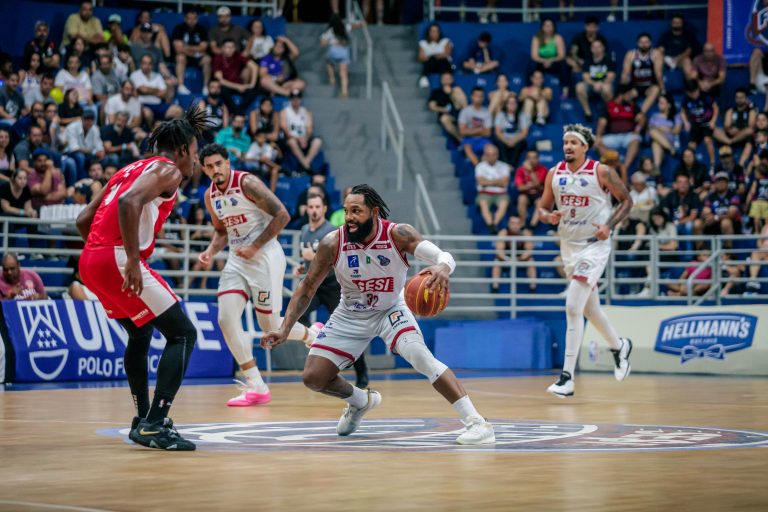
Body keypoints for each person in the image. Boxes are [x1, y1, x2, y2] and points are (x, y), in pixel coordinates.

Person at [261, 184, 495, 445]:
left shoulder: (398, 234)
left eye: (356, 211)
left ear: (373, 212)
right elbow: (307, 286)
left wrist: (442, 267)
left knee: (421, 358)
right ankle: (361, 401)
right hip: (350, 313)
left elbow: (443, 255)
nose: (349, 217)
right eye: (347, 211)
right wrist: (284, 327)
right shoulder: (333, 243)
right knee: (313, 378)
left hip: (390, 309)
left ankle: (478, 423)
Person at [75, 106, 212, 451]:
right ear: (182, 150)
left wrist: (102, 255)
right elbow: (129, 202)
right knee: (183, 333)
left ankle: (142, 418)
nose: (195, 161)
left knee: (141, 331)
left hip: (92, 258)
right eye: (195, 153)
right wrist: (131, 260)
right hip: (119, 257)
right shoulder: (167, 170)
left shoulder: (128, 169)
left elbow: (83, 219)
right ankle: (155, 422)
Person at [197, 144, 322, 407]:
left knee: (270, 327)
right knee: (225, 318)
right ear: (203, 168)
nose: (215, 170)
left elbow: (282, 215)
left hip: (265, 256)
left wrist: (255, 245)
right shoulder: (210, 195)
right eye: (209, 166)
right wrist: (210, 251)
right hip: (236, 260)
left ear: (228, 162)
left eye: (219, 163)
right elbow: (221, 232)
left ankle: (312, 336)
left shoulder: (248, 183)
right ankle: (256, 385)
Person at [537, 123, 633, 398]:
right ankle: (619, 347)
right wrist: (548, 216)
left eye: (573, 142)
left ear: (585, 147)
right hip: (569, 246)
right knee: (590, 309)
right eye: (565, 142)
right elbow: (542, 208)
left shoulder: (601, 171)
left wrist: (609, 226)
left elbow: (627, 201)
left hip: (595, 246)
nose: (567, 146)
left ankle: (566, 377)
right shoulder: (554, 174)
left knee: (572, 306)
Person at [297, 193, 369, 387]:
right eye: (310, 207)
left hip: (332, 286)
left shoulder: (331, 231)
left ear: (324, 209)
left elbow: (340, 259)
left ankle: (362, 372)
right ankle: (315, 333)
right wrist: (302, 266)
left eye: (317, 207)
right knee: (296, 316)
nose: (313, 210)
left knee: (349, 330)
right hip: (314, 285)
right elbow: (307, 259)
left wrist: (313, 258)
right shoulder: (304, 230)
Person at [595, 84, 643, 181]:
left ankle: (625, 166)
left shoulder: (632, 105)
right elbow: (602, 122)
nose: (630, 97)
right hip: (613, 136)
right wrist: (598, 136)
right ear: (621, 95)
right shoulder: (609, 105)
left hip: (628, 136)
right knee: (597, 144)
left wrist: (637, 130)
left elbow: (642, 118)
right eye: (628, 94)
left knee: (636, 140)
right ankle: (617, 163)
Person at [213, 39, 260, 116]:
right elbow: (221, 81)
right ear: (222, 48)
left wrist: (252, 84)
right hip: (227, 86)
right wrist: (238, 87)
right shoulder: (218, 59)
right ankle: (237, 112)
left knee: (253, 91)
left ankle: (238, 112)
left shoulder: (238, 56)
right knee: (222, 90)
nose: (230, 50)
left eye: (232, 47)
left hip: (238, 84)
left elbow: (254, 67)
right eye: (227, 47)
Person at [280, 90, 323, 173]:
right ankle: (307, 167)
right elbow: (285, 128)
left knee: (318, 141)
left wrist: (305, 138)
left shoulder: (306, 112)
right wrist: (297, 138)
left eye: (298, 98)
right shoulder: (284, 112)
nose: (296, 101)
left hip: (304, 138)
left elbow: (309, 128)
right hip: (291, 137)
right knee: (292, 142)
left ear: (301, 100)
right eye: (293, 99)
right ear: (290, 100)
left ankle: (305, 163)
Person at [491, 215, 536, 293]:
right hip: (506, 258)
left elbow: (529, 250)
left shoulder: (526, 233)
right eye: (512, 223)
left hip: (521, 258)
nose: (514, 226)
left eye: (517, 223)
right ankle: (495, 286)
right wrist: (506, 259)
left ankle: (533, 287)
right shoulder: (503, 232)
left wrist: (520, 259)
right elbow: (499, 250)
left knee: (531, 261)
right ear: (508, 224)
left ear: (521, 224)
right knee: (496, 261)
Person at [620, 33, 663, 115]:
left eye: (646, 42)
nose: (644, 45)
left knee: (656, 89)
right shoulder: (631, 54)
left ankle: (641, 114)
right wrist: (622, 91)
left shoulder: (655, 54)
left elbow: (659, 74)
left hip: (650, 86)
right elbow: (625, 74)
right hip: (635, 87)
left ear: (650, 43)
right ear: (637, 43)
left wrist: (663, 90)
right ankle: (632, 114)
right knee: (624, 98)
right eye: (641, 42)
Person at [172, 10, 212, 96]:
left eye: (194, 18)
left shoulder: (201, 29)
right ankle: (180, 85)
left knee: (207, 59)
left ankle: (205, 87)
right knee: (180, 57)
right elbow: (178, 49)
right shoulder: (179, 28)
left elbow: (204, 47)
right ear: (185, 19)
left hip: (198, 57)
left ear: (197, 19)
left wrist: (186, 47)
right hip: (186, 57)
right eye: (189, 18)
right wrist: (195, 50)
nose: (191, 21)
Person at [575, 39, 615, 122]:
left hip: (604, 84)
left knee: (607, 89)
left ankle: (607, 112)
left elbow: (611, 76)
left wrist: (602, 84)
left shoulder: (608, 59)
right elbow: (585, 77)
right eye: (594, 47)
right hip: (591, 85)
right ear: (591, 49)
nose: (596, 49)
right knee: (579, 87)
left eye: (598, 46)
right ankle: (587, 112)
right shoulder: (588, 60)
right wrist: (594, 84)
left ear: (603, 48)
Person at [528, 18, 570, 98]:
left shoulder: (558, 38)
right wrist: (544, 61)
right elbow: (534, 56)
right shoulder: (536, 38)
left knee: (563, 63)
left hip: (554, 61)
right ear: (542, 27)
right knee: (531, 63)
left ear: (553, 27)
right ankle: (529, 87)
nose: (548, 28)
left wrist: (550, 60)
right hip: (541, 62)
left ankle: (565, 90)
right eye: (546, 26)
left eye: (550, 26)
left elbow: (561, 55)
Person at [475, 143, 510, 234]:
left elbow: (504, 183)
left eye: (494, 154)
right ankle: (490, 224)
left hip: (501, 194)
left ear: (497, 155)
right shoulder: (480, 167)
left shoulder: (504, 166)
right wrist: (498, 181)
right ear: (485, 155)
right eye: (489, 155)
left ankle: (494, 224)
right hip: (484, 193)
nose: (491, 157)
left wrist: (488, 182)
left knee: (504, 203)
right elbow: (481, 182)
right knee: (483, 202)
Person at [681, 80, 717, 169]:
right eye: (692, 93)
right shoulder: (686, 99)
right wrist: (686, 122)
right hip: (695, 124)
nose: (694, 95)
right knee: (690, 146)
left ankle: (712, 163)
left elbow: (716, 108)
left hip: (706, 122)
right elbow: (682, 111)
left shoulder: (705, 96)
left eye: (695, 92)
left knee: (707, 140)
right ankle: (692, 166)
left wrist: (713, 121)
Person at [321, 14, 357, 98]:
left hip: (333, 52)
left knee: (329, 62)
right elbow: (354, 26)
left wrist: (331, 41)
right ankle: (344, 92)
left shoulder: (329, 31)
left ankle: (332, 78)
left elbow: (322, 43)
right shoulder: (345, 27)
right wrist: (362, 22)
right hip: (344, 53)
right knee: (343, 73)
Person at [427, 72, 466, 143]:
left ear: (452, 80)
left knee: (457, 90)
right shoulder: (436, 92)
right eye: (445, 78)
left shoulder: (456, 90)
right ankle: (462, 140)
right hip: (447, 114)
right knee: (444, 119)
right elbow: (432, 106)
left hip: (459, 112)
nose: (447, 80)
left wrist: (451, 93)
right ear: (441, 80)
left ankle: (469, 115)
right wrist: (443, 109)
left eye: (449, 78)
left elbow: (462, 104)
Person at [458, 87, 492, 166]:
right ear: (472, 97)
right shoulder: (465, 111)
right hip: (468, 140)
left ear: (483, 98)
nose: (478, 98)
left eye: (480, 96)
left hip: (483, 139)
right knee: (467, 147)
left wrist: (469, 131)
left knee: (490, 149)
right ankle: (478, 166)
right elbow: (462, 131)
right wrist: (480, 130)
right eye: (476, 96)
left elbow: (487, 133)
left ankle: (486, 168)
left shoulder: (487, 113)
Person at [648, 94, 682, 169]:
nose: (659, 105)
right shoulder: (654, 116)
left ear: (669, 105)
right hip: (657, 138)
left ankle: (656, 169)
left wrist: (664, 128)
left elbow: (677, 131)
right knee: (654, 139)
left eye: (662, 103)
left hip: (670, 139)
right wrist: (660, 128)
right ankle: (671, 151)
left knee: (655, 137)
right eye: (659, 102)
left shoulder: (675, 116)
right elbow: (649, 130)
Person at [494, 95, 529, 167]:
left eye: (514, 103)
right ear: (506, 105)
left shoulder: (522, 115)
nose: (512, 105)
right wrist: (506, 141)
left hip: (516, 140)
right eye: (510, 103)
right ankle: (506, 165)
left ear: (517, 105)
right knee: (498, 143)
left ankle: (512, 166)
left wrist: (514, 141)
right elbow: (498, 132)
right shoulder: (501, 115)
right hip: (504, 139)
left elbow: (524, 132)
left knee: (521, 143)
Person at [514, 149, 547, 225]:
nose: (531, 160)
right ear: (526, 159)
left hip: (539, 194)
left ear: (538, 159)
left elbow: (538, 184)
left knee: (540, 202)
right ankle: (523, 224)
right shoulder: (520, 170)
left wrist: (530, 171)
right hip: (525, 194)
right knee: (521, 199)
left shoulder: (543, 169)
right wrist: (532, 185)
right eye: (529, 158)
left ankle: (532, 225)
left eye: (534, 158)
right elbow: (520, 188)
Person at [417, 23, 453, 88]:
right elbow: (421, 57)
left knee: (442, 60)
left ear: (439, 32)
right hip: (431, 64)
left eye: (436, 31)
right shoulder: (423, 43)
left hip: (443, 64)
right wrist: (434, 56)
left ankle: (446, 81)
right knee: (431, 60)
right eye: (432, 31)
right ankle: (424, 77)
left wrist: (433, 55)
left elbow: (447, 54)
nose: (434, 33)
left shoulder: (445, 41)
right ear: (428, 32)